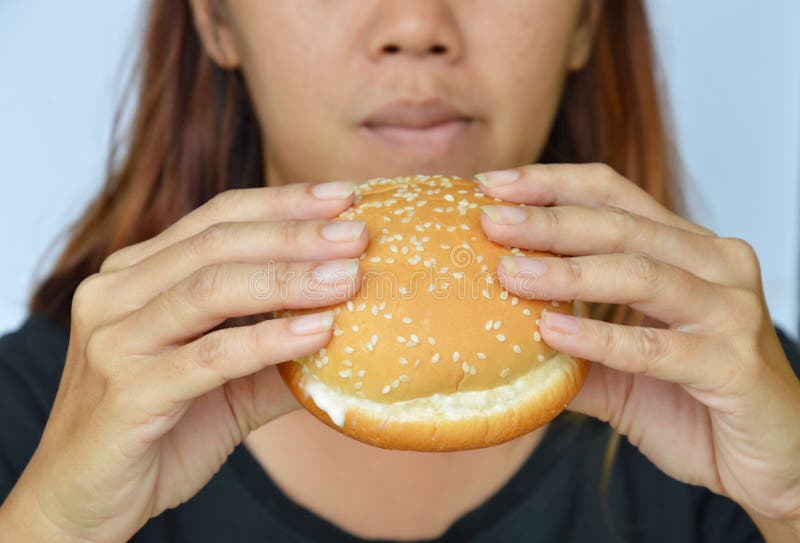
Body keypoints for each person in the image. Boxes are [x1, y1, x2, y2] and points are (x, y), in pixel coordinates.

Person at [1, 0, 799, 541]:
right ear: (216, 20)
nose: (417, 25)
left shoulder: (746, 404)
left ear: (587, 18)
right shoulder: (34, 421)